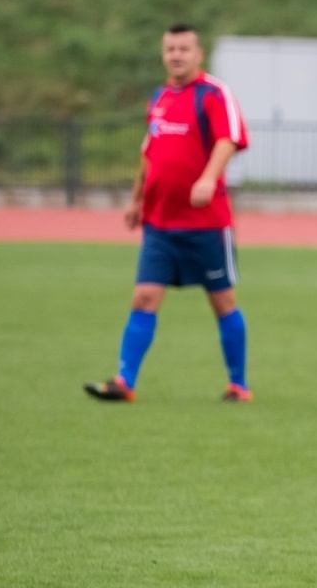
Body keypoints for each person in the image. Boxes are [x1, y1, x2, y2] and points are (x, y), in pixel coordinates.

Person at [84, 24, 252, 403]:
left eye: (184, 48)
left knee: (223, 301)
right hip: (159, 223)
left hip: (206, 225)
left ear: (199, 53)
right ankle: (124, 382)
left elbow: (229, 139)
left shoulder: (213, 93)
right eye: (170, 48)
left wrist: (209, 177)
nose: (176, 55)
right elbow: (150, 152)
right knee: (143, 297)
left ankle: (238, 385)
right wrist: (135, 199)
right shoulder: (158, 98)